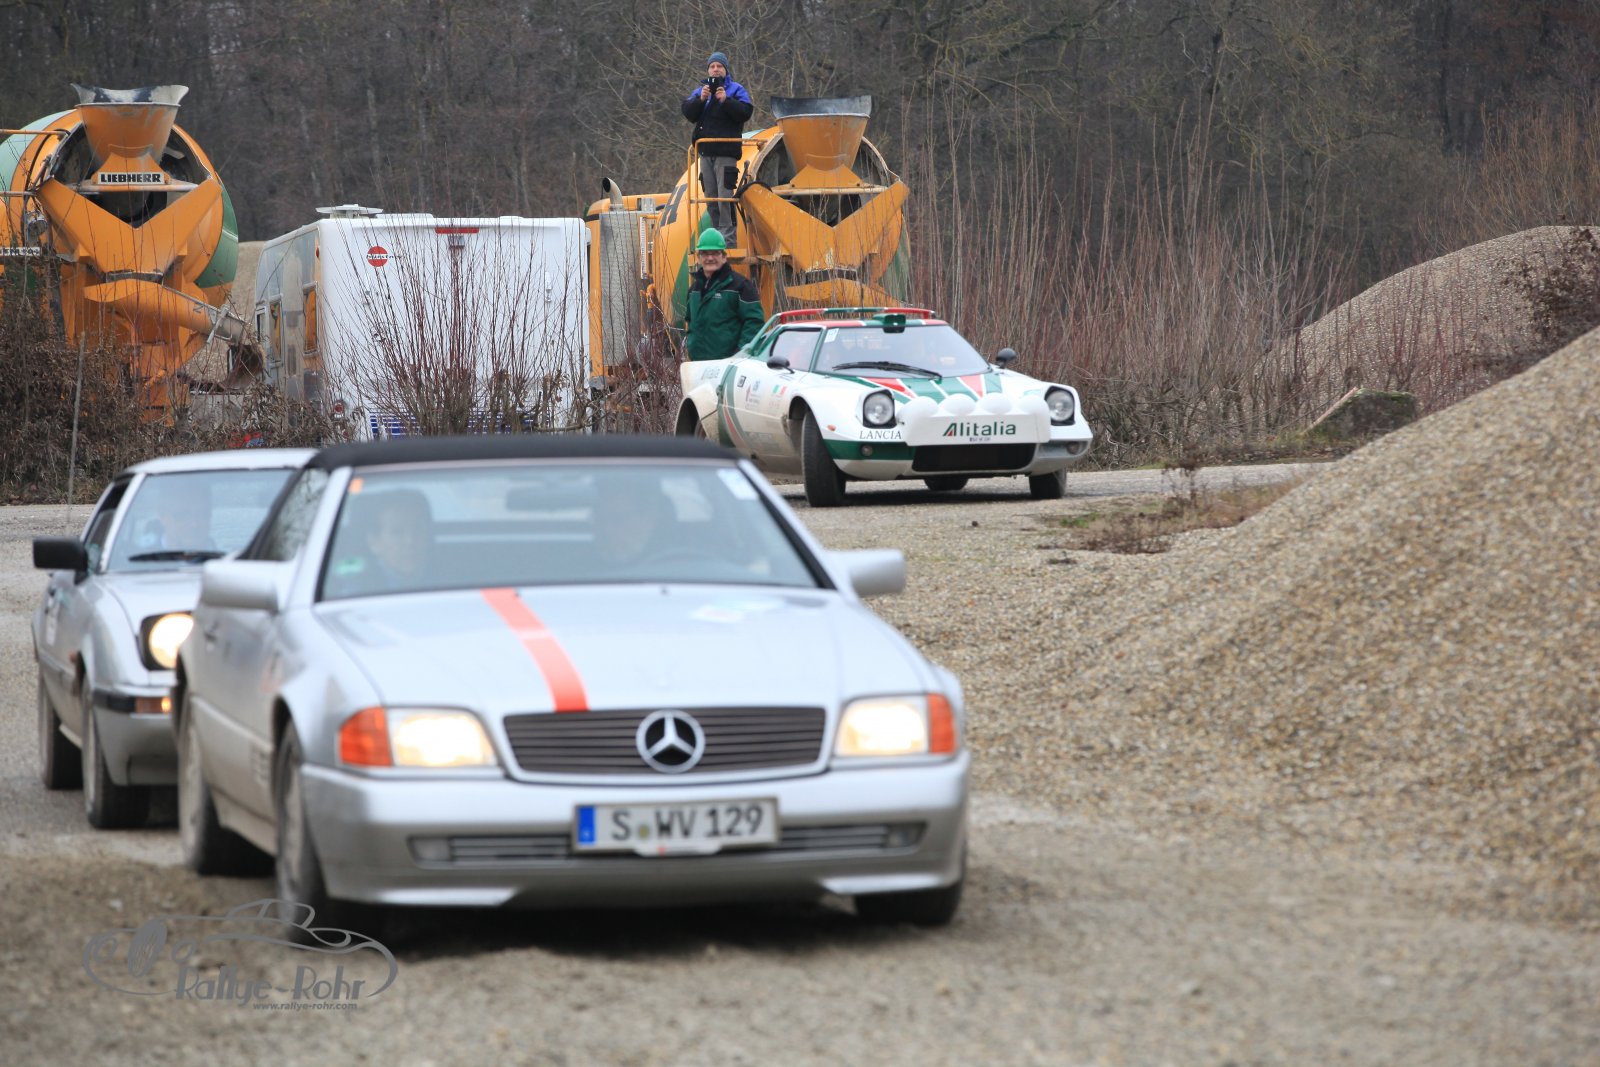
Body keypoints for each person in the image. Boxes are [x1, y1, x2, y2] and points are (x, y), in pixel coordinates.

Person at [682, 50, 753, 247]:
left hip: (726, 154)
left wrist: (726, 100)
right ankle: (716, 240)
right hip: (705, 153)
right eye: (712, 66)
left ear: (726, 70)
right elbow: (688, 112)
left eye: (719, 66)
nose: (715, 69)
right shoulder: (701, 91)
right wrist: (700, 100)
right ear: (708, 70)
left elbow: (746, 112)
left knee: (725, 199)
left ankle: (728, 242)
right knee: (711, 199)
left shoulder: (735, 89)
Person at [683, 229, 764, 361]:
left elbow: (755, 323)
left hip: (729, 366)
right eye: (705, 253)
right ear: (698, 258)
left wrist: (739, 355)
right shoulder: (693, 291)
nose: (710, 258)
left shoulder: (741, 287)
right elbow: (690, 323)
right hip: (698, 365)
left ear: (724, 257)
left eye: (715, 253)